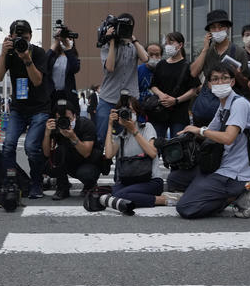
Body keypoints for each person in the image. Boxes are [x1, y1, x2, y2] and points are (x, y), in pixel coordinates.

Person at [168, 63, 250, 219]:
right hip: (219, 163)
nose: (220, 82)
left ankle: (235, 194)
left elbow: (228, 138)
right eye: (215, 79)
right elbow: (209, 132)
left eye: (224, 78)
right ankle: (208, 191)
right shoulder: (223, 106)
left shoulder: (239, 104)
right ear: (208, 85)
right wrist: (187, 134)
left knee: (186, 208)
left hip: (235, 172)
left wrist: (199, 130)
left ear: (232, 82)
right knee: (175, 179)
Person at [85, 100, 177, 214]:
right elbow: (108, 154)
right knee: (105, 193)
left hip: (151, 180)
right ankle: (133, 197)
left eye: (131, 111)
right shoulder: (121, 133)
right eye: (123, 111)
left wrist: (133, 130)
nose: (127, 114)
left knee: (120, 195)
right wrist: (110, 125)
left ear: (137, 113)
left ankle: (162, 200)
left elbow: (153, 153)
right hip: (129, 181)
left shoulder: (146, 127)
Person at [0, 19, 51, 199]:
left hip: (39, 108)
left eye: (25, 38)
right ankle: (10, 182)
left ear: (31, 37)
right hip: (18, 108)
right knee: (8, 144)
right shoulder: (9, 54)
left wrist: (27, 59)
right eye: (17, 38)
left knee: (31, 147)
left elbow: (37, 81)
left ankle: (36, 183)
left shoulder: (39, 52)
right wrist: (3, 53)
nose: (21, 42)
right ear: (10, 37)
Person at [96, 13, 148, 145]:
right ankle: (103, 163)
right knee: (102, 136)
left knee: (127, 138)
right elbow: (110, 67)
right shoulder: (107, 45)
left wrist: (134, 40)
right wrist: (112, 42)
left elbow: (146, 59)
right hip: (108, 98)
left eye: (129, 27)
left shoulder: (133, 47)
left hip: (130, 100)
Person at [189, 9, 247, 127]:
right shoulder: (207, 51)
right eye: (213, 28)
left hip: (229, 106)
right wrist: (205, 49)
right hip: (206, 105)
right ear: (209, 32)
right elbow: (193, 73)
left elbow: (246, 83)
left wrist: (237, 74)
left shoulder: (239, 52)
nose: (217, 30)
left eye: (221, 27)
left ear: (227, 28)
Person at [42, 95, 100, 201]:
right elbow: (46, 153)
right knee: (53, 157)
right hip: (68, 162)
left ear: (75, 115)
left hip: (86, 162)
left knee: (87, 174)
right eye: (60, 119)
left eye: (67, 119)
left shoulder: (85, 124)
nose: (64, 122)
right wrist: (47, 134)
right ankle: (62, 188)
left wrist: (72, 136)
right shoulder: (56, 127)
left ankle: (89, 185)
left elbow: (86, 153)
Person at [148, 31, 200, 139]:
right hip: (160, 111)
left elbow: (193, 89)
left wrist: (176, 100)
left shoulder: (188, 65)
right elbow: (153, 85)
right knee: (156, 144)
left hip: (179, 114)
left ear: (180, 45)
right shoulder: (161, 64)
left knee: (177, 147)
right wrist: (161, 95)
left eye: (171, 43)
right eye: (166, 43)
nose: (168, 46)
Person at [46, 22, 81, 110]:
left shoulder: (73, 57)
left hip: (68, 95)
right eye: (65, 38)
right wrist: (56, 42)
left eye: (69, 38)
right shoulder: (53, 57)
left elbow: (75, 68)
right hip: (52, 94)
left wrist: (68, 48)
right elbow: (44, 63)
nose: (66, 40)